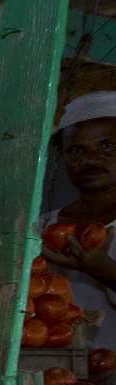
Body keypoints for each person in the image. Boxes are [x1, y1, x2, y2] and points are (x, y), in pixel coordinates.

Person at [42, 91, 116, 349]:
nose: (91, 159)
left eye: (107, 146)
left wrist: (104, 269)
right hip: (55, 381)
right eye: (76, 150)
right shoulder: (43, 228)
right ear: (62, 157)